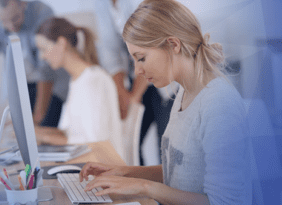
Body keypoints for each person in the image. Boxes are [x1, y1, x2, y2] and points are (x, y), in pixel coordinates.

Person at [79, 0, 251, 204]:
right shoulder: (184, 92)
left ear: (173, 45)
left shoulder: (219, 105)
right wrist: (126, 172)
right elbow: (181, 170)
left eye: (141, 58)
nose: (137, 71)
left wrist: (146, 188)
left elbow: (223, 202)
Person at [94, 0, 175, 165]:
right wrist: (122, 92)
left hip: (164, 79)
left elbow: (150, 47)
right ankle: (140, 187)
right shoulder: (101, 3)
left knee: (168, 150)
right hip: (139, 75)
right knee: (130, 143)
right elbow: (110, 50)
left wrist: (134, 96)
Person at [0, 0, 69, 127]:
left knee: (43, 127)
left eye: (15, 18)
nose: (11, 26)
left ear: (23, 4)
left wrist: (37, 120)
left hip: (51, 84)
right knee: (21, 129)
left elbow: (46, 70)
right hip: (24, 83)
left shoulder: (42, 11)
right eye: (4, 21)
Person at [33, 18, 122, 150]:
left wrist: (45, 137)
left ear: (61, 43)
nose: (42, 56)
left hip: (102, 163)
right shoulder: (76, 80)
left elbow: (93, 140)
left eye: (44, 49)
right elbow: (69, 131)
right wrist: (36, 133)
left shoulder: (93, 80)